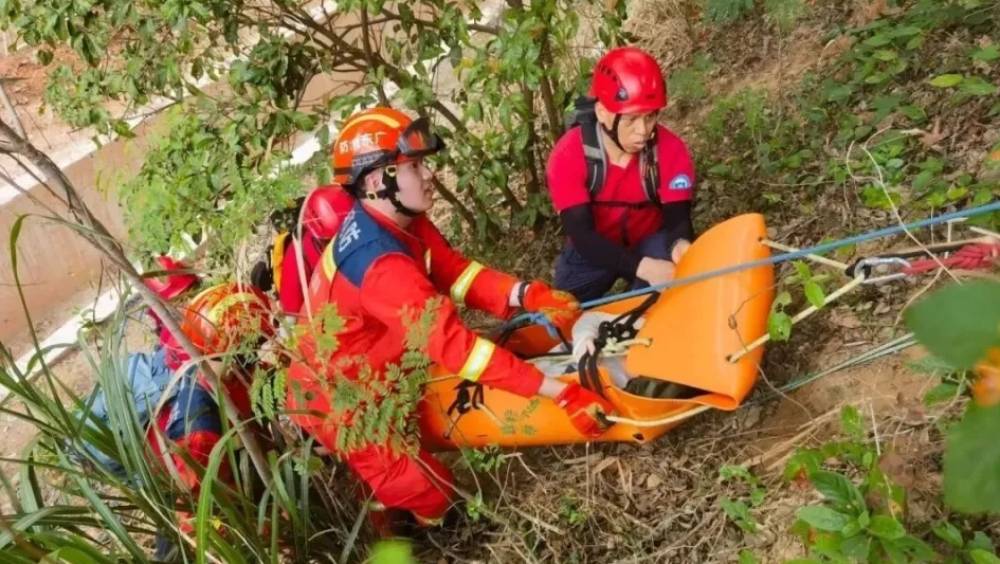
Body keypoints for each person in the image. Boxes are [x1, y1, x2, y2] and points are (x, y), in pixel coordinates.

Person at [286, 107, 615, 527]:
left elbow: (456, 271)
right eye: (415, 166)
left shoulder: (399, 220)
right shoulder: (379, 263)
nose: (429, 176)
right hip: (341, 403)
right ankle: (438, 530)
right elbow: (458, 348)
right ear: (375, 181)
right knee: (428, 487)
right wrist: (561, 393)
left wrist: (525, 294)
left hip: (381, 360)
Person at [546, 46, 696, 302]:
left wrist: (680, 245)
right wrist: (643, 267)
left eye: (650, 117)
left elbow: (678, 218)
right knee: (563, 311)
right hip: (594, 249)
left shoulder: (670, 151)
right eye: (631, 120)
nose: (643, 131)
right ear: (603, 113)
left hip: (650, 240)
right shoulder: (568, 156)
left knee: (666, 292)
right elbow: (582, 236)